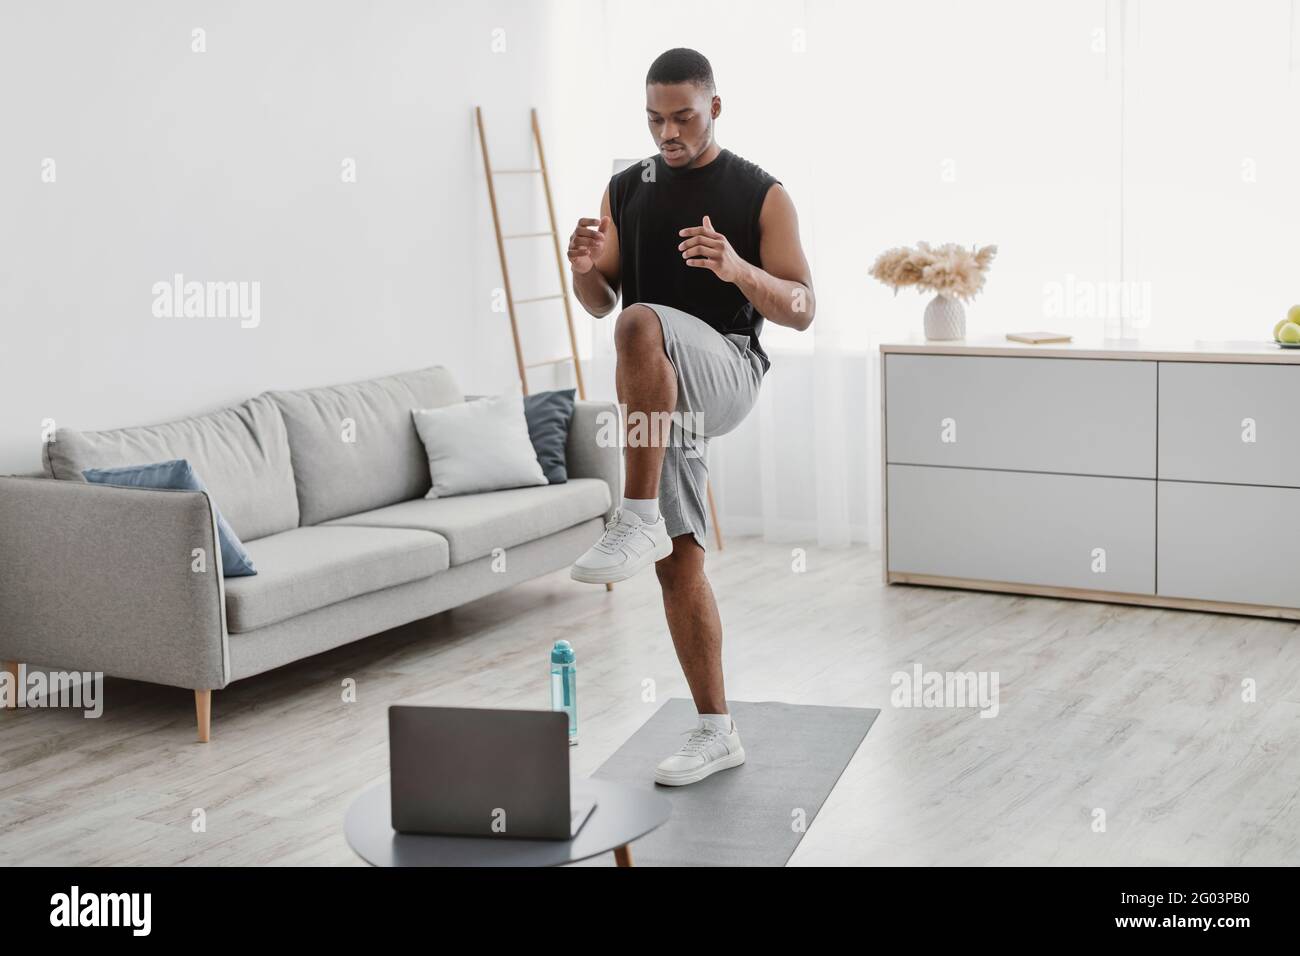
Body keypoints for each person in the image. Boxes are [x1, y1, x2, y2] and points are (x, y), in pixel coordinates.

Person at [567, 48, 815, 786]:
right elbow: (601, 303)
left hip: (729, 372)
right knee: (679, 558)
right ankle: (716, 729)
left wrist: (737, 269)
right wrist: (582, 267)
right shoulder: (625, 187)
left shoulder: (761, 193)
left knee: (643, 324)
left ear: (715, 106)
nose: (667, 132)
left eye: (682, 117)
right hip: (660, 389)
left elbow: (804, 309)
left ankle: (633, 509)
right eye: (654, 119)